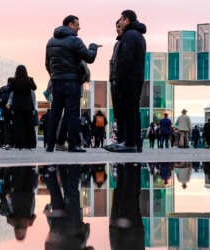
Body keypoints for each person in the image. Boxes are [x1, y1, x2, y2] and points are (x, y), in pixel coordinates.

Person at [43, 165, 101, 250]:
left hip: (72, 225)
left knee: (72, 193)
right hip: (57, 225)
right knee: (55, 196)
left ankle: (73, 167)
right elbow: (49, 243)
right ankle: (50, 171)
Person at [45, 15, 99, 153]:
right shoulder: (75, 41)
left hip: (56, 81)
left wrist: (55, 74)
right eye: (77, 25)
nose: (79, 28)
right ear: (70, 24)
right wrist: (93, 47)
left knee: (55, 113)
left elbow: (47, 63)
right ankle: (74, 145)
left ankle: (50, 145)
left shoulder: (50, 41)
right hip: (72, 82)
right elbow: (89, 57)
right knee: (72, 113)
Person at [105, 10, 146, 153]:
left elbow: (125, 60)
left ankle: (129, 143)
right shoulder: (137, 35)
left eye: (121, 19)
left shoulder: (129, 35)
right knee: (133, 110)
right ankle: (131, 142)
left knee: (129, 111)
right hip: (135, 77)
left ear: (126, 20)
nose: (120, 22)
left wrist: (119, 78)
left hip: (128, 79)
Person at [110, 163, 146, 250]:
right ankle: (130, 167)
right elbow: (126, 247)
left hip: (129, 227)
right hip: (128, 227)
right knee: (128, 195)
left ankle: (129, 168)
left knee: (128, 195)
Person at [6, 65, 37, 149]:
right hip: (28, 106)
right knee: (29, 125)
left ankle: (19, 144)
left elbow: (9, 89)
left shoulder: (13, 80)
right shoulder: (29, 79)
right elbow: (34, 88)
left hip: (17, 106)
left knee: (18, 126)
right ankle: (29, 144)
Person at [109, 19, 124, 144]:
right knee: (118, 113)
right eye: (116, 27)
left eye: (119, 26)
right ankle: (120, 139)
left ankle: (123, 139)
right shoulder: (117, 43)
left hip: (119, 80)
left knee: (122, 112)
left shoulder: (125, 41)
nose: (117, 29)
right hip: (114, 80)